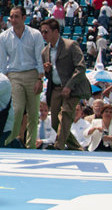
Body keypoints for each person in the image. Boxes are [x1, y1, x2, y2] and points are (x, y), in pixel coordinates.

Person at [0, 5, 45, 149]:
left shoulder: (35, 34)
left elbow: (40, 58)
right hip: (14, 76)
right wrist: (5, 81)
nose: (13, 20)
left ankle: (30, 146)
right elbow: (1, 63)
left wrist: (40, 79)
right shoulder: (3, 36)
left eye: (16, 16)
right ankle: (12, 141)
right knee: (17, 110)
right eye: (11, 17)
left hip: (32, 75)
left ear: (24, 18)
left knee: (33, 113)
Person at [40, 18, 91, 150]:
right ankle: (76, 147)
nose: (43, 35)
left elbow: (81, 68)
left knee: (66, 115)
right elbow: (48, 74)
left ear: (56, 31)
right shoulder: (45, 51)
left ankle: (59, 145)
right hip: (56, 88)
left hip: (73, 88)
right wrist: (46, 70)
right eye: (42, 32)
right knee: (55, 122)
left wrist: (69, 85)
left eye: (46, 32)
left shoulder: (71, 45)